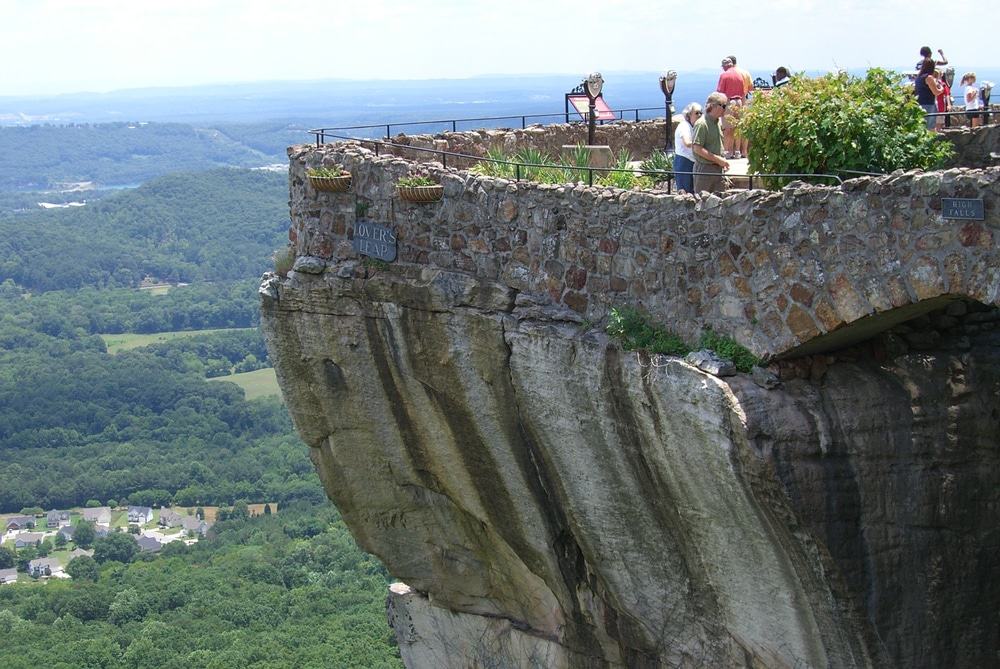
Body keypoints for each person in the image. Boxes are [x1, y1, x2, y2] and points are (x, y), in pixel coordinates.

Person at [691, 92, 730, 194]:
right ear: (714, 106)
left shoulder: (717, 123)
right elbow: (697, 148)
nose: (725, 109)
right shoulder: (702, 124)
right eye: (724, 106)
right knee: (702, 204)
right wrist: (717, 159)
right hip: (705, 170)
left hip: (717, 169)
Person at [716, 57, 744, 157]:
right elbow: (743, 91)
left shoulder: (724, 75)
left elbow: (720, 92)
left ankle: (728, 151)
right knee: (737, 128)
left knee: (728, 128)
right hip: (739, 101)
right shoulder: (739, 74)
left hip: (729, 102)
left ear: (725, 65)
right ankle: (737, 151)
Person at [728, 55, 753, 158]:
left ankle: (732, 151)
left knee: (732, 127)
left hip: (732, 101)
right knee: (743, 127)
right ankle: (744, 151)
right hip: (744, 100)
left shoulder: (729, 74)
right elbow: (751, 87)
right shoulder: (745, 72)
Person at [673, 102, 701, 194]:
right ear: (689, 115)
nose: (699, 115)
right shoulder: (684, 126)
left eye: (701, 113)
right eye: (697, 113)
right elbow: (687, 142)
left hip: (691, 161)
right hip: (684, 161)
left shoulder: (693, 127)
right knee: (685, 192)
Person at [914, 59, 942, 130]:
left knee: (921, 126)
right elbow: (936, 92)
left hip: (919, 104)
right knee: (930, 127)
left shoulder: (918, 77)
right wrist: (941, 88)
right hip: (928, 104)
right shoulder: (929, 77)